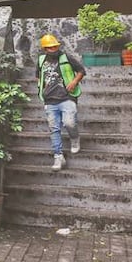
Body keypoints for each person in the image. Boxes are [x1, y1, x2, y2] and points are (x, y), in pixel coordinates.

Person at [36, 34, 85, 171]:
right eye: (50, 47)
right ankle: (58, 156)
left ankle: (74, 138)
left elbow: (81, 70)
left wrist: (74, 82)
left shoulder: (66, 58)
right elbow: (38, 76)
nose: (53, 49)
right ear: (45, 49)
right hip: (49, 99)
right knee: (54, 129)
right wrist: (42, 87)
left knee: (69, 123)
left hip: (67, 97)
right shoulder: (41, 60)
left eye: (55, 46)